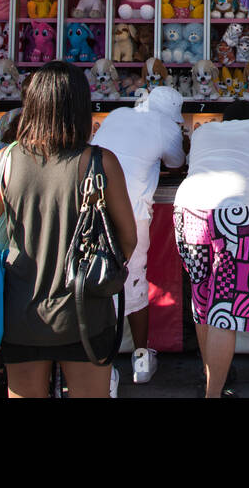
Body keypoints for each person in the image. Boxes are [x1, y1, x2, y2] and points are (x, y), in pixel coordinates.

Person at [0, 62, 137, 398]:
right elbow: (127, 239)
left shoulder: (6, 160)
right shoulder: (100, 163)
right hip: (84, 309)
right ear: (80, 107)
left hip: (18, 310)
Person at [174, 100, 249, 398]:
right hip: (235, 209)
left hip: (188, 204)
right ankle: (213, 392)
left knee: (201, 296)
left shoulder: (204, 132)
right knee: (225, 308)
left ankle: (212, 378)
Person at [89, 85, 186, 384]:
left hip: (91, 206)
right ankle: (140, 358)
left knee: (95, 281)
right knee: (133, 282)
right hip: (131, 213)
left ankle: (103, 366)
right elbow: (177, 162)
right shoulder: (166, 127)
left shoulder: (118, 114)